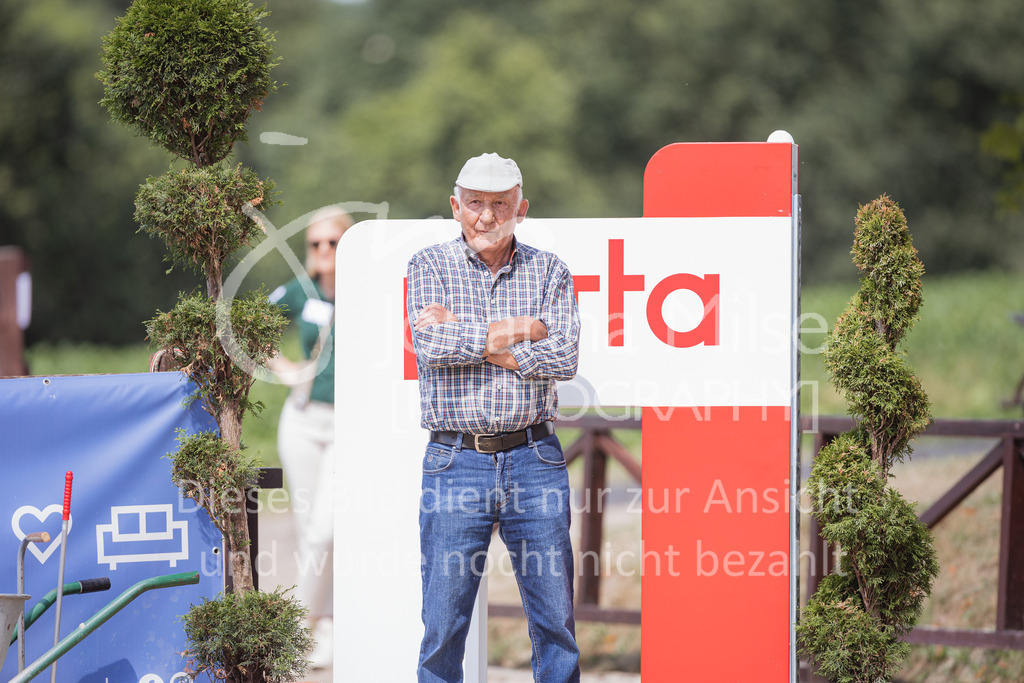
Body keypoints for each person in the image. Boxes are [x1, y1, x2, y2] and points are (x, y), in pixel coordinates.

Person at [406, 153, 582, 682]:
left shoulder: (551, 270)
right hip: (455, 457)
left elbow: (565, 358)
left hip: (535, 454)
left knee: (555, 621)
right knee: (443, 623)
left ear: (520, 209)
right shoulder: (427, 265)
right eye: (476, 204)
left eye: (500, 204)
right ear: (455, 207)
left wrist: (473, 334)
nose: (487, 216)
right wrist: (524, 327)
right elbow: (431, 346)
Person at [267, 205, 353, 670]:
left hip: (347, 425)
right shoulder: (300, 292)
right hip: (302, 420)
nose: (322, 251)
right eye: (315, 244)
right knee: (309, 531)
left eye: (332, 243)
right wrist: (286, 369)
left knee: (327, 530)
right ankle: (325, 630)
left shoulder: (367, 290)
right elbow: (247, 321)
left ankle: (298, 632)